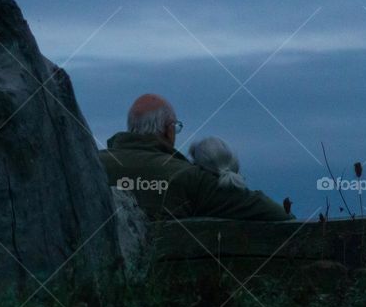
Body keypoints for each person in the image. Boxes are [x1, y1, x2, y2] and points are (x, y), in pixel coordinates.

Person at [98, 93, 293, 221]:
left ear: (131, 127)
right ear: (168, 130)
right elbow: (278, 216)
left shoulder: (93, 165)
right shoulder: (190, 177)